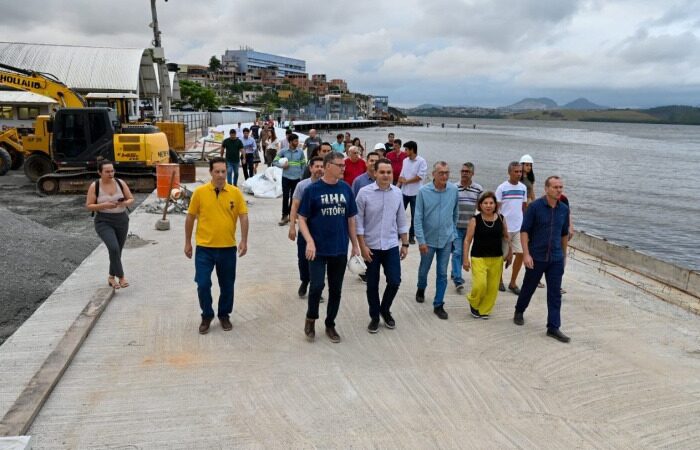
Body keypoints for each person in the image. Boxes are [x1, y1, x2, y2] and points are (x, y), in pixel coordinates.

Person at [298, 151, 360, 343]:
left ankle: (330, 324)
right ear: (327, 166)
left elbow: (351, 219)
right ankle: (311, 318)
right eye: (340, 165)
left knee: (336, 289)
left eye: (344, 165)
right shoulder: (312, 190)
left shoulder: (346, 189)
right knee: (316, 286)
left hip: (339, 248)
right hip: (317, 249)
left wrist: (355, 246)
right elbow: (302, 218)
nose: (343, 168)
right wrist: (309, 240)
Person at [184, 157, 249, 334]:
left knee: (227, 285)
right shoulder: (200, 192)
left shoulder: (235, 193)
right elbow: (190, 217)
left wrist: (244, 240)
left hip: (227, 248)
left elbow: (243, 216)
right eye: (217, 171)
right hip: (204, 249)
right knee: (203, 283)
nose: (221, 175)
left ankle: (224, 314)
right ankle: (207, 315)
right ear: (210, 172)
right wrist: (187, 242)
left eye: (223, 171)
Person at [513, 176, 571, 343]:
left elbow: (564, 234)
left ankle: (553, 327)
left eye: (561, 187)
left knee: (555, 294)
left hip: (556, 258)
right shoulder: (535, 207)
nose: (559, 190)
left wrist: (564, 256)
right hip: (536, 256)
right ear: (546, 189)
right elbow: (524, 231)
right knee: (528, 287)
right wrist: (526, 254)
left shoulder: (564, 210)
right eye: (555, 187)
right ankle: (519, 310)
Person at [356, 158, 409, 333]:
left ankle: (385, 309)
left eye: (389, 172)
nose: (386, 175)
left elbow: (401, 219)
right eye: (382, 172)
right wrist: (362, 247)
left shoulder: (397, 193)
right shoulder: (364, 193)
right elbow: (358, 223)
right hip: (370, 247)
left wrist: (405, 243)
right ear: (375, 173)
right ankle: (374, 316)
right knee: (372, 285)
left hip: (391, 245)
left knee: (394, 281)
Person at [414, 161, 458, 320]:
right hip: (428, 240)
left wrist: (453, 234)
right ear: (433, 174)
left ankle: (438, 304)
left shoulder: (453, 190)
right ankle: (421, 287)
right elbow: (417, 218)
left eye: (447, 173)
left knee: (442, 273)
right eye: (441, 173)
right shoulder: (423, 192)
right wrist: (421, 240)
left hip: (446, 240)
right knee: (424, 269)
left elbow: (455, 213)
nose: (445, 176)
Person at [85, 160, 135, 290]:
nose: (110, 173)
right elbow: (89, 206)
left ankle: (111, 278)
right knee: (113, 248)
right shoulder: (94, 186)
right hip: (104, 221)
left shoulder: (120, 182)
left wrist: (124, 203)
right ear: (99, 172)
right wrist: (104, 205)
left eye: (112, 171)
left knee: (118, 250)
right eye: (107, 171)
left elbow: (131, 199)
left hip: (122, 220)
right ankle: (121, 276)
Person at [462, 192, 512, 319]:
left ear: (495, 205)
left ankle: (484, 310)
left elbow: (506, 237)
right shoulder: (475, 220)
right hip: (478, 257)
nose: (488, 206)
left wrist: (510, 253)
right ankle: (474, 302)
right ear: (480, 205)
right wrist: (465, 259)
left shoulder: (501, 218)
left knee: (492, 288)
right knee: (480, 285)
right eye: (485, 203)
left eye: (491, 203)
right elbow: (467, 240)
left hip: (497, 258)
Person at [288, 156, 324, 298]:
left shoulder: (330, 185)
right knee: (303, 259)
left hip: (321, 231)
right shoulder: (302, 186)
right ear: (310, 168)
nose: (319, 169)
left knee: (319, 260)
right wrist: (292, 226)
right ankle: (305, 280)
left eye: (322, 166)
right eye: (317, 166)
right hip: (305, 228)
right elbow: (294, 206)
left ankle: (317, 289)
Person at [451, 163, 483, 293]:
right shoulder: (454, 188)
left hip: (470, 228)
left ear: (472, 174)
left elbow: (481, 208)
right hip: (456, 226)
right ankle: (458, 280)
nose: (464, 173)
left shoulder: (478, 189)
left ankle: (454, 271)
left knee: (464, 252)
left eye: (467, 171)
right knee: (457, 251)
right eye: (463, 171)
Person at [496, 162, 527, 294]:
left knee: (520, 254)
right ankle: (499, 280)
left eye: (520, 171)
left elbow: (524, 207)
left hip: (519, 227)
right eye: (516, 171)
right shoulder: (502, 188)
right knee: (502, 256)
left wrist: (526, 224)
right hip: (505, 227)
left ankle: (513, 283)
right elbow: (497, 209)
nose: (519, 174)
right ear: (509, 172)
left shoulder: (523, 188)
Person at [398, 140, 427, 245]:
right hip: (404, 192)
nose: (404, 151)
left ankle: (411, 236)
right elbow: (401, 175)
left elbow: (420, 176)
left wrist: (407, 181)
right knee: (399, 214)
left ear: (412, 150)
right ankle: (398, 233)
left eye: (406, 149)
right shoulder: (405, 160)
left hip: (416, 193)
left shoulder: (421, 161)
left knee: (415, 216)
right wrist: (397, 187)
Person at [274, 133, 306, 226]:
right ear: (291, 142)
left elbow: (303, 164)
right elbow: (274, 161)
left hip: (297, 178)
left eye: (298, 140)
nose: (297, 142)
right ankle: (284, 216)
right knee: (285, 197)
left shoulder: (300, 152)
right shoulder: (283, 151)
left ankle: (291, 215)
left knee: (294, 198)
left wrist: (302, 176)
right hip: (286, 178)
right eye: (296, 141)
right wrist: (282, 165)